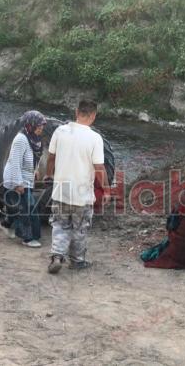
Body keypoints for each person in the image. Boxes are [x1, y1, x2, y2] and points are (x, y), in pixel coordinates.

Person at [44, 100, 110, 273]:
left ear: (76, 111)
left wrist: (49, 175)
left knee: (59, 225)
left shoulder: (60, 131)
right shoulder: (95, 138)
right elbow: (99, 168)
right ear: (93, 115)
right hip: (82, 195)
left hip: (61, 191)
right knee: (79, 228)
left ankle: (57, 256)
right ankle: (77, 261)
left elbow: (51, 157)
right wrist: (107, 189)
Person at [0, 110, 47, 248]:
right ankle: (28, 238)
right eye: (38, 126)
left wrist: (35, 171)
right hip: (16, 180)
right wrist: (18, 184)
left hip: (26, 178)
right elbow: (14, 162)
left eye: (42, 126)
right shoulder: (21, 139)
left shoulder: (34, 139)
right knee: (26, 209)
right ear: (30, 125)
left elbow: (32, 158)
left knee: (18, 208)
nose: (40, 129)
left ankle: (5, 224)